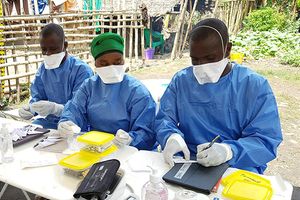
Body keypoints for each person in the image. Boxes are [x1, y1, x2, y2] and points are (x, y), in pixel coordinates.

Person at [155, 18, 282, 174]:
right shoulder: (181, 81)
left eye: (210, 58)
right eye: (195, 60)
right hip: (187, 160)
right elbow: (164, 119)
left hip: (237, 164)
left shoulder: (253, 86)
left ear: (227, 49)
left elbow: (265, 139)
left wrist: (228, 151)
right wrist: (171, 136)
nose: (202, 66)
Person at [58, 32, 156, 150]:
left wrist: (131, 139)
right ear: (95, 64)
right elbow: (74, 109)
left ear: (124, 61)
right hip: (95, 147)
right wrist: (66, 122)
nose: (111, 68)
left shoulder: (137, 92)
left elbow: (147, 132)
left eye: (117, 62)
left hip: (128, 151)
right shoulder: (89, 87)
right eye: (104, 64)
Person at [18, 23, 93, 129]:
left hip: (75, 124)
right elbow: (38, 97)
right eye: (44, 49)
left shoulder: (81, 70)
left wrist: (57, 109)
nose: (48, 54)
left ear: (65, 45)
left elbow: (80, 107)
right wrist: (31, 109)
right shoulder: (44, 70)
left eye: (53, 49)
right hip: (49, 124)